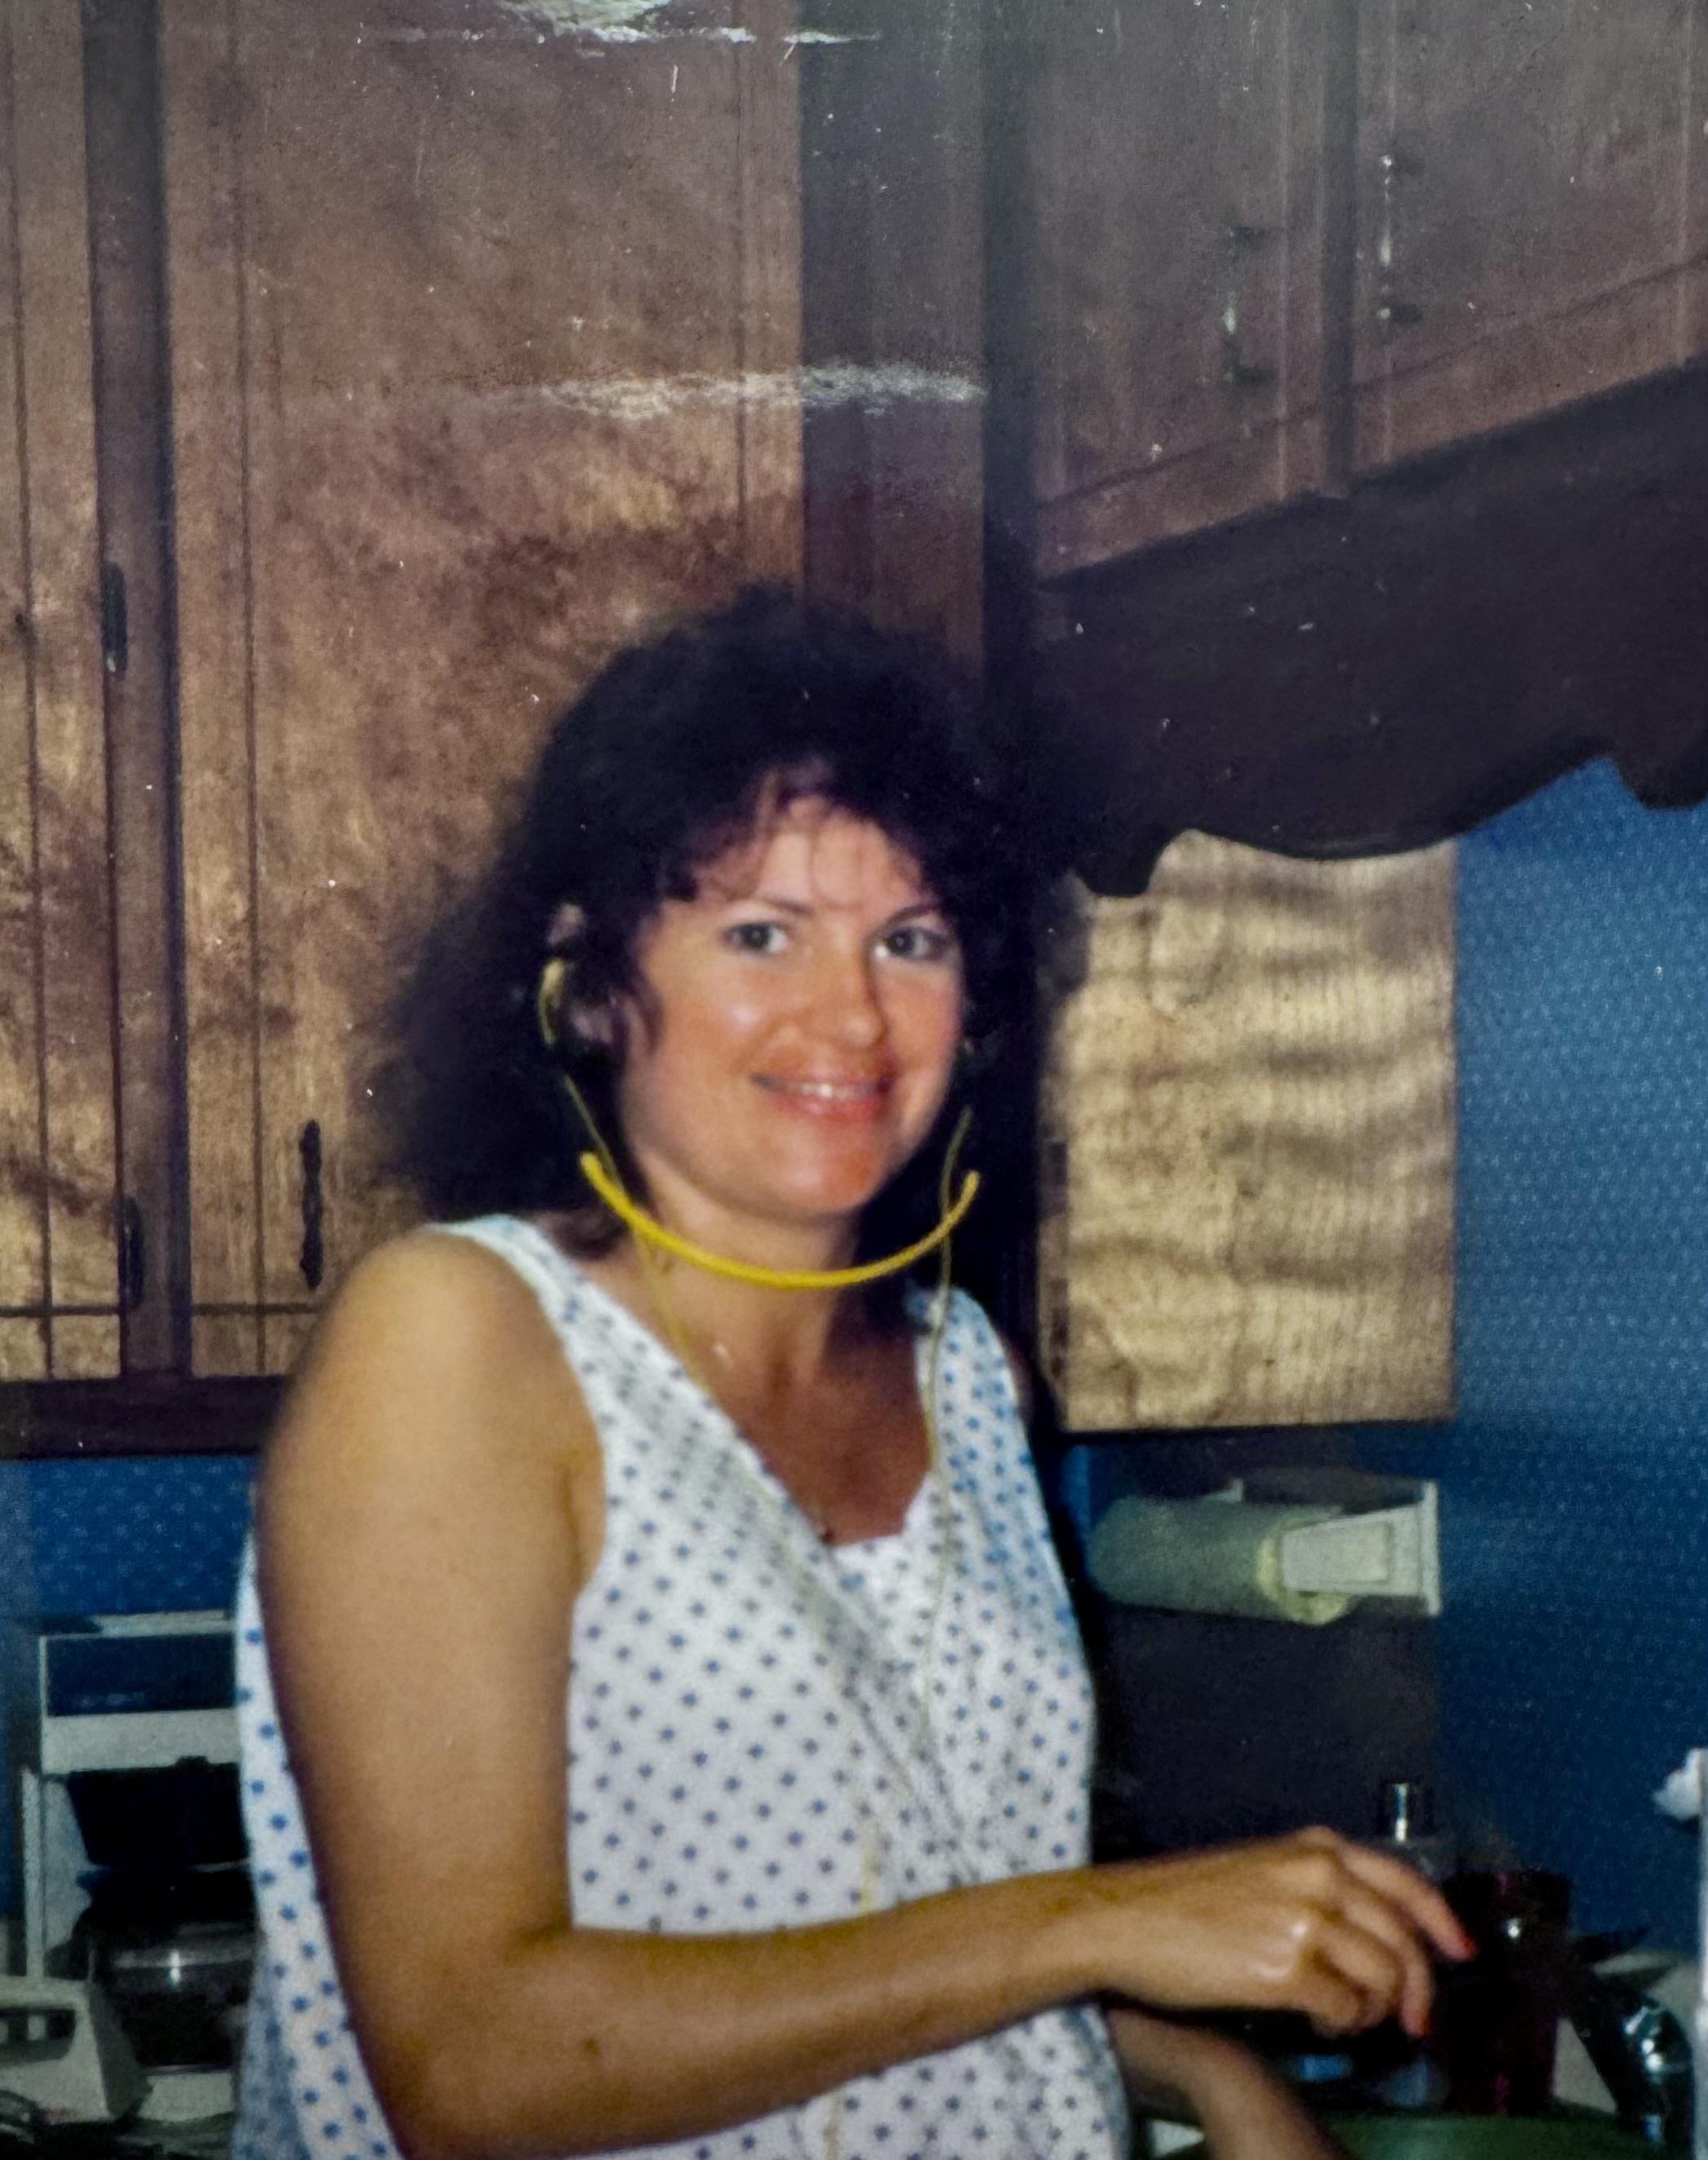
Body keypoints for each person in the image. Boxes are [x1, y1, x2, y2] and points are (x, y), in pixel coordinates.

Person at [232, 590, 1469, 2160]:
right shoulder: (463, 1341)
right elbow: (476, 2060)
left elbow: (868, 1920)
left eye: (912, 937)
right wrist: (1093, 1921)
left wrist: (1203, 2073)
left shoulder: (965, 1375)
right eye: (761, 932)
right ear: (592, 982)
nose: (853, 1015)